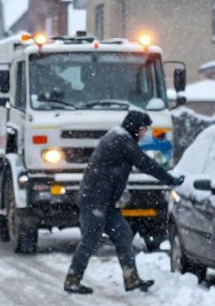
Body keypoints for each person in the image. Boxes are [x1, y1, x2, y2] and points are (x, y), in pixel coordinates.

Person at [65, 109, 183, 294]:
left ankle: (131, 279)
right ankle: (72, 280)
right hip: (95, 201)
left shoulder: (118, 136)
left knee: (123, 234)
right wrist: (169, 179)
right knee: (90, 240)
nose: (145, 134)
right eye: (143, 129)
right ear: (135, 127)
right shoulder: (121, 140)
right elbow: (144, 162)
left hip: (106, 202)